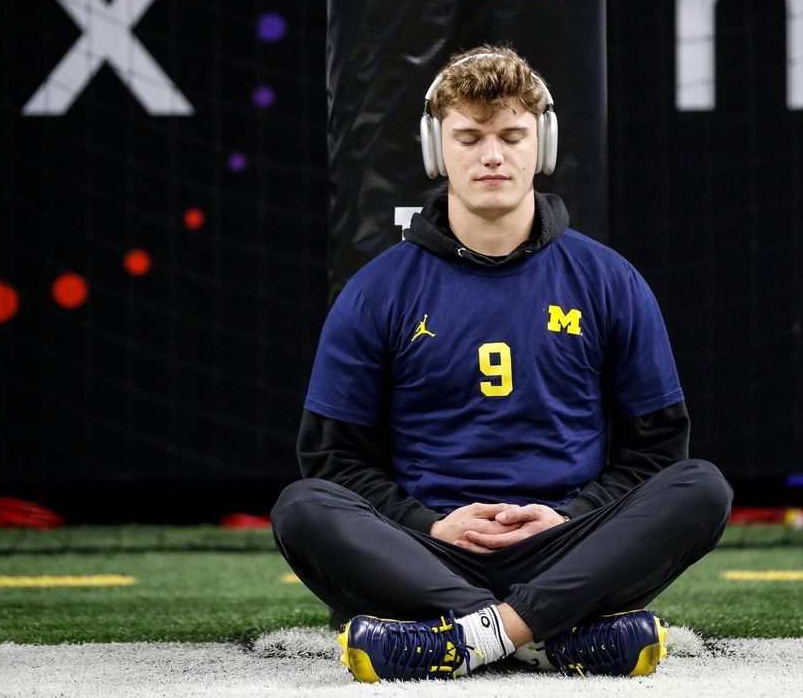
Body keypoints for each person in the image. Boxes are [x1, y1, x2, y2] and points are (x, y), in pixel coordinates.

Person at [271, 44, 732, 682]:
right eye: (470, 136)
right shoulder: (378, 290)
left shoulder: (609, 280)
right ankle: (548, 637)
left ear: (541, 144)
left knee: (703, 488)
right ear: (437, 150)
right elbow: (330, 460)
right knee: (301, 507)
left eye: (512, 135)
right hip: (427, 552)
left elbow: (659, 451)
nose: (492, 155)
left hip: (570, 546)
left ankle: (472, 637)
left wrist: (570, 515)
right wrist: (429, 523)